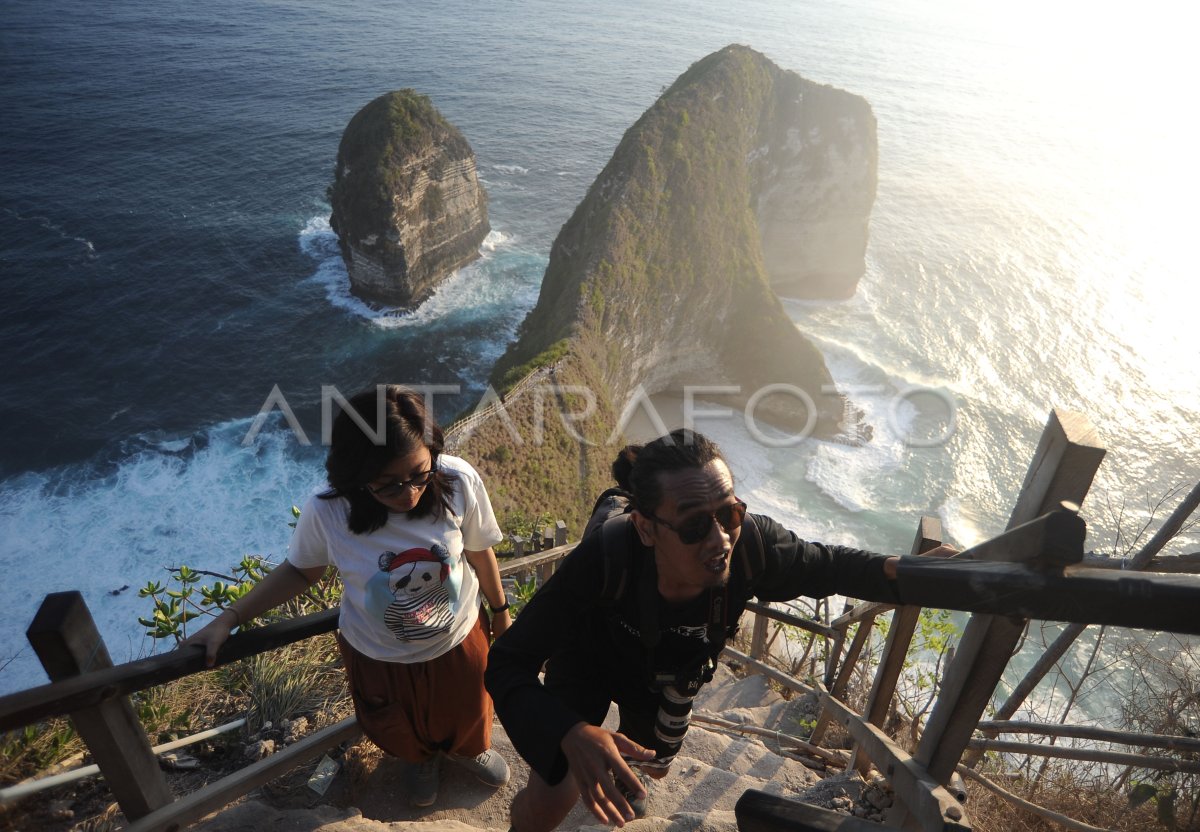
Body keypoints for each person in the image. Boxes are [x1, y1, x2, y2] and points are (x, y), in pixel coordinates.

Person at [486, 429, 950, 831]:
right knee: (552, 797)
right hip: (585, 658)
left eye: (729, 513)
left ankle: (626, 772)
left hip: (666, 672)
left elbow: (825, 564)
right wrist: (567, 731)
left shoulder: (751, 545)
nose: (721, 540)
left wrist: (906, 574)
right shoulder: (603, 559)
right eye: (693, 526)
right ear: (646, 529)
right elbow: (507, 662)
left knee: (656, 766)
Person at [183, 385, 512, 808]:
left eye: (418, 473)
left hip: (457, 640)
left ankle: (466, 749)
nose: (409, 492)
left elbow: (479, 548)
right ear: (356, 477)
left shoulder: (455, 481)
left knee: (468, 707)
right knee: (398, 724)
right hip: (378, 653)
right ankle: (419, 760)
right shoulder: (330, 511)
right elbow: (301, 571)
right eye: (388, 485)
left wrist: (501, 612)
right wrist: (228, 618)